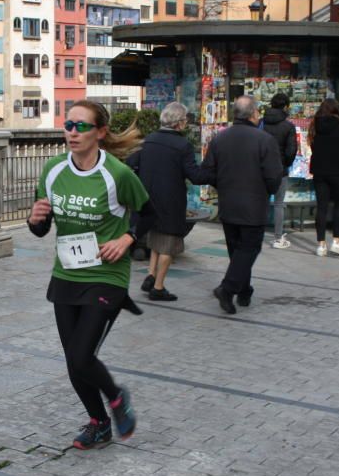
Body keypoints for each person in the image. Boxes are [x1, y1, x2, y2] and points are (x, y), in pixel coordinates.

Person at [27, 100, 150, 450]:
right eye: (68, 125)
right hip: (66, 274)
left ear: (100, 132)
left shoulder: (117, 174)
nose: (73, 132)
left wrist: (127, 238)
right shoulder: (52, 170)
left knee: (82, 355)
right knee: (74, 361)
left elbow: (151, 213)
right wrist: (35, 219)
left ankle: (116, 397)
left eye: (82, 126)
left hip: (106, 275)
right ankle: (98, 423)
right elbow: (41, 228)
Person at [202, 95, 282, 314]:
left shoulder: (219, 139)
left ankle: (244, 290)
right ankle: (227, 289)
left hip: (228, 204)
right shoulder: (265, 140)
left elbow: (208, 171)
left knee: (237, 251)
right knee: (248, 249)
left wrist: (223, 184)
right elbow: (274, 177)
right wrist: (267, 190)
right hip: (254, 205)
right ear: (254, 114)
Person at [127, 102, 211, 301]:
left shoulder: (149, 139)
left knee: (156, 239)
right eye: (185, 120)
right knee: (169, 244)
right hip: (170, 202)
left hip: (148, 199)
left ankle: (150, 275)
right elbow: (195, 175)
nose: (185, 123)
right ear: (179, 123)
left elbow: (131, 163)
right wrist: (212, 172)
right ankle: (158, 287)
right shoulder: (183, 145)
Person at [309, 98, 339, 257]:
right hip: (337, 170)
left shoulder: (315, 125)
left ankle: (321, 245)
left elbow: (312, 145)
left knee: (322, 207)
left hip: (319, 171)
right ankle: (337, 240)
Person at [261, 93, 298, 249]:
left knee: (261, 201)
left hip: (261, 168)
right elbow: (291, 151)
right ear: (285, 107)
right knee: (278, 203)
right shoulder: (288, 126)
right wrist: (285, 164)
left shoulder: (261, 123)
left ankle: (255, 233)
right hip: (280, 169)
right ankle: (277, 238)